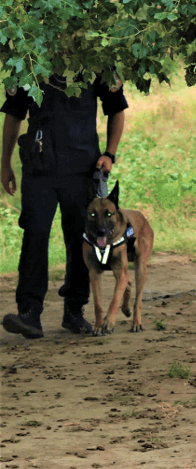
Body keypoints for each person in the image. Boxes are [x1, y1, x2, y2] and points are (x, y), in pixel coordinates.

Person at [1, 73, 128, 338]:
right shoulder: (30, 60)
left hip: (82, 168)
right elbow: (14, 114)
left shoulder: (94, 60)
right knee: (34, 234)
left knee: (79, 238)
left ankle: (74, 310)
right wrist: (5, 162)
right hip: (39, 167)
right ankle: (29, 313)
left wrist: (110, 153)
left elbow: (116, 107)